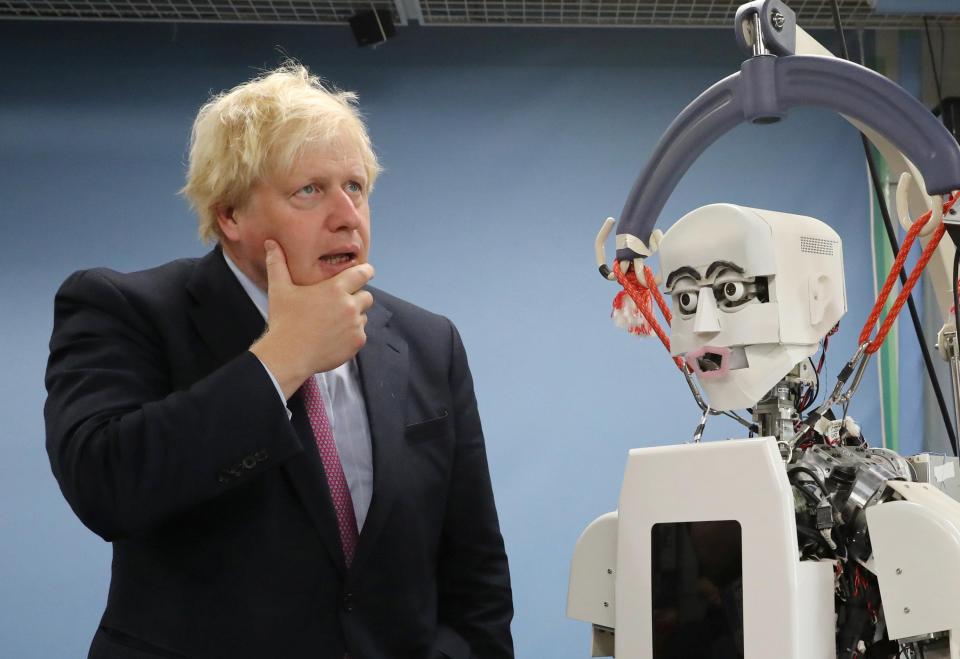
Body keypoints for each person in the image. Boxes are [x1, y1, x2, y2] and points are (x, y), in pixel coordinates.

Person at [44, 63, 514, 659]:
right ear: (230, 214)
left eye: (357, 187)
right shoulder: (124, 309)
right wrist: (281, 360)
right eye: (309, 191)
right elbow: (106, 485)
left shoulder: (428, 342)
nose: (347, 215)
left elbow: (475, 574)